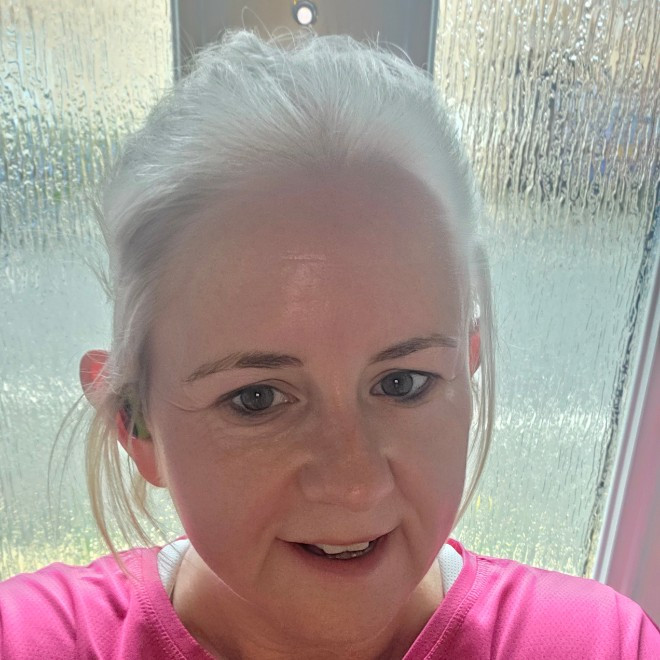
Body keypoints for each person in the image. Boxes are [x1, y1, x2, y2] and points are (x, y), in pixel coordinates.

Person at [0, 30, 658, 660]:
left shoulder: (599, 646)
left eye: (402, 383)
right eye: (257, 399)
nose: (354, 485)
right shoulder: (32, 640)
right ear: (134, 427)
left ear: (468, 367)